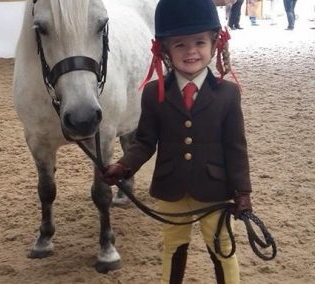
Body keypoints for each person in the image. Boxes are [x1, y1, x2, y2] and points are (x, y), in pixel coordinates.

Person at [101, 0, 253, 283]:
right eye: (180, 44)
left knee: (222, 247)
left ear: (214, 43)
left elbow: (236, 147)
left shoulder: (228, 95)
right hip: (171, 187)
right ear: (165, 50)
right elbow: (144, 141)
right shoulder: (152, 93)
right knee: (172, 246)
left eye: (199, 42)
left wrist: (243, 192)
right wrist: (123, 166)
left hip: (214, 190)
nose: (191, 51)